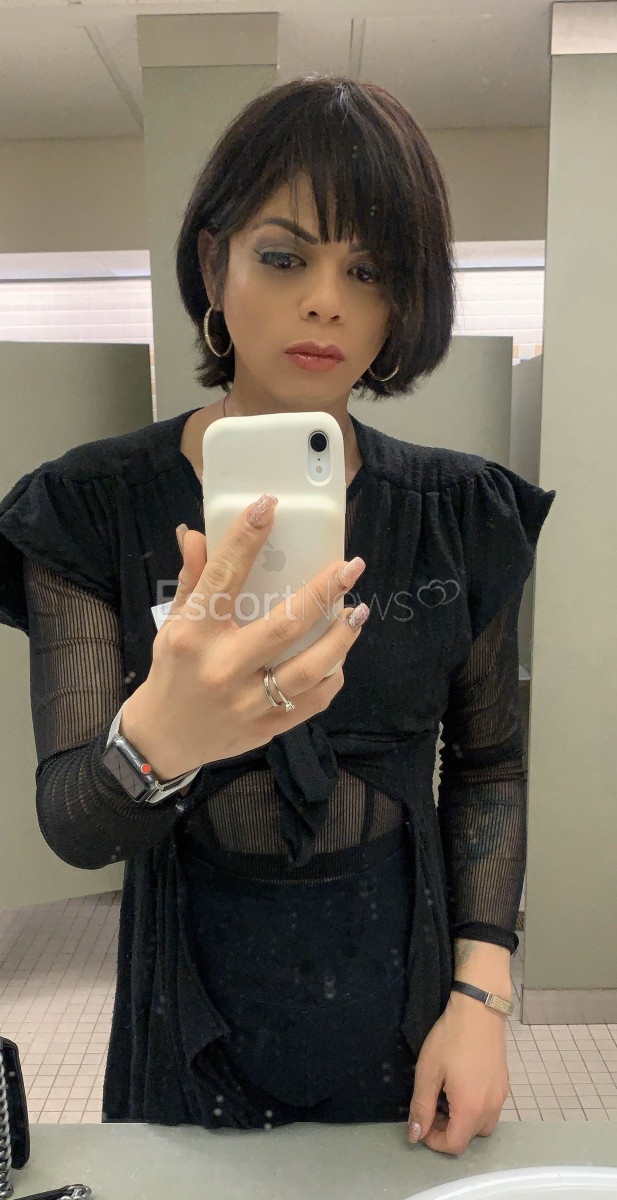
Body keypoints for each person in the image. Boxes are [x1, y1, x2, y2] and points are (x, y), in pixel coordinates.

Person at [0, 74, 556, 1155]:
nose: (326, 303)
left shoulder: (458, 515)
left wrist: (481, 996)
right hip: (186, 1006)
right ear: (215, 265)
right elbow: (73, 823)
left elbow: (488, 767)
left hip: (407, 996)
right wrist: (160, 739)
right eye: (286, 256)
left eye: (369, 270)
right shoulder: (90, 507)